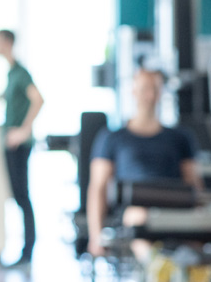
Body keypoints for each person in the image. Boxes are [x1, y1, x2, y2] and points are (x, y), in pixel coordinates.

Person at [86, 69, 202, 260]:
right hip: (134, 210)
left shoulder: (181, 137)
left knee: (192, 245)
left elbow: (193, 185)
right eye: (145, 89)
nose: (150, 95)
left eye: (155, 89)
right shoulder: (112, 138)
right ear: (134, 92)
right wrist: (95, 235)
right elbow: (98, 188)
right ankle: (156, 267)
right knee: (140, 216)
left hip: (175, 206)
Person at [0, 29, 44, 268]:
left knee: (23, 196)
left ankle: (27, 252)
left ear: (8, 42)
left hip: (19, 144)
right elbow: (2, 97)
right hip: (9, 142)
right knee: (17, 196)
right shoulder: (12, 73)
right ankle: (24, 251)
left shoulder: (21, 73)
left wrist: (24, 130)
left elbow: (38, 99)